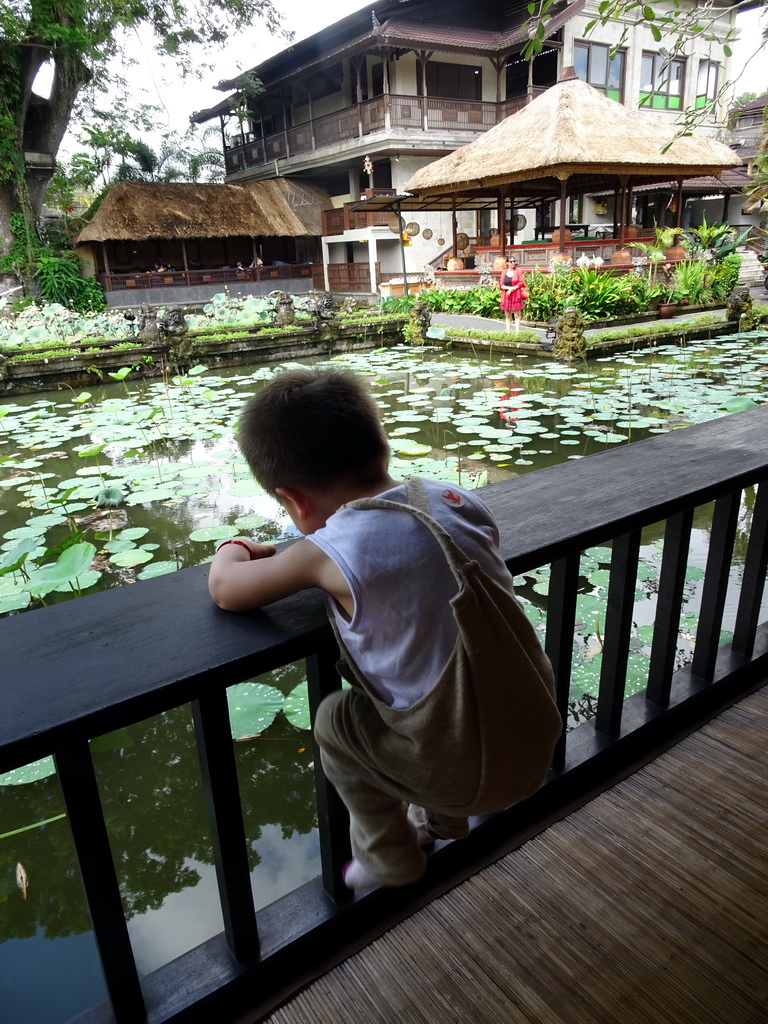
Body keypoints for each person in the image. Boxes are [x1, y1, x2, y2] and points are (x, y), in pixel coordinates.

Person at [208, 368, 560, 891]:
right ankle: (444, 822)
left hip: (463, 770)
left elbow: (227, 590)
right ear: (381, 447)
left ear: (294, 501)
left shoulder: (330, 551)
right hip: (535, 740)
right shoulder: (454, 500)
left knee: (338, 719)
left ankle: (387, 854)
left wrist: (231, 549)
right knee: (441, 683)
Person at [499, 255, 525, 332]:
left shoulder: (518, 270)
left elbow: (521, 282)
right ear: (507, 263)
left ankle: (517, 333)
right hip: (506, 295)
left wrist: (513, 288)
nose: (513, 263)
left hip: (515, 295)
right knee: (507, 315)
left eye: (514, 261)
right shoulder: (504, 272)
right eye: (511, 261)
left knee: (517, 315)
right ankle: (508, 332)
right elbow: (501, 285)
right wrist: (509, 288)